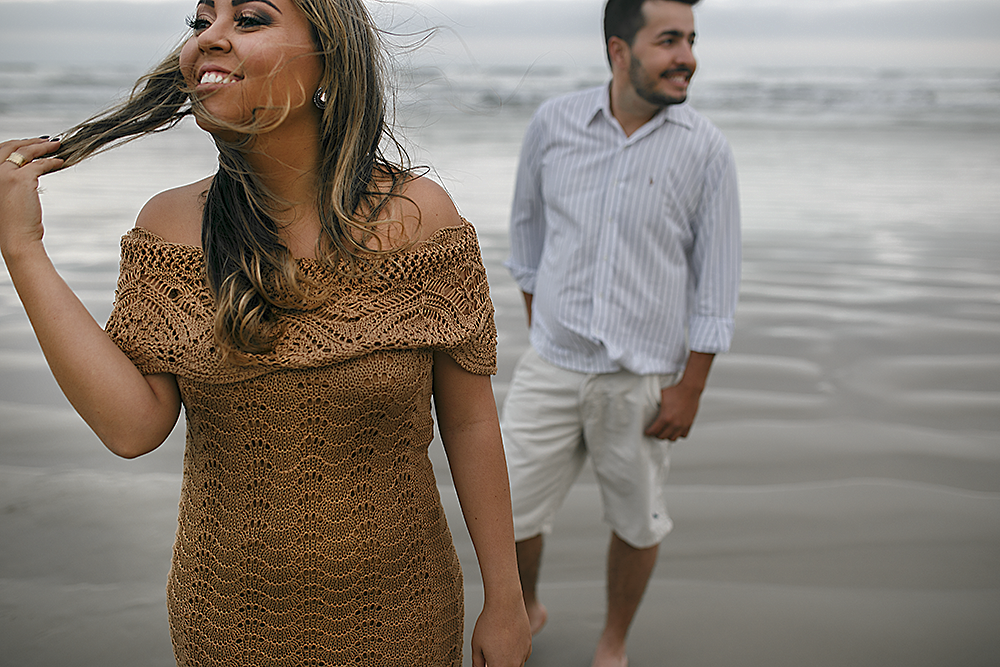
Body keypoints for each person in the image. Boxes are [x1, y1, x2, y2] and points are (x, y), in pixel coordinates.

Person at [0, 1, 532, 665]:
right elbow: (132, 428)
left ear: (329, 57)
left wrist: (505, 598)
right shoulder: (169, 227)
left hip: (405, 615)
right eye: (201, 22)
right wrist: (24, 248)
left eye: (249, 18)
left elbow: (472, 422)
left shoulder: (419, 220)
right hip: (225, 624)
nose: (209, 39)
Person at [501, 0, 741, 665]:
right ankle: (528, 607)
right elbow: (526, 237)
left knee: (637, 521)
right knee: (509, 512)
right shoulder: (554, 124)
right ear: (619, 50)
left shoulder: (706, 150)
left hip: (642, 378)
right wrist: (541, 324)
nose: (687, 55)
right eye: (669, 40)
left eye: (691, 40)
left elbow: (716, 280)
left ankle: (613, 642)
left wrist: (690, 386)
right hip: (550, 365)